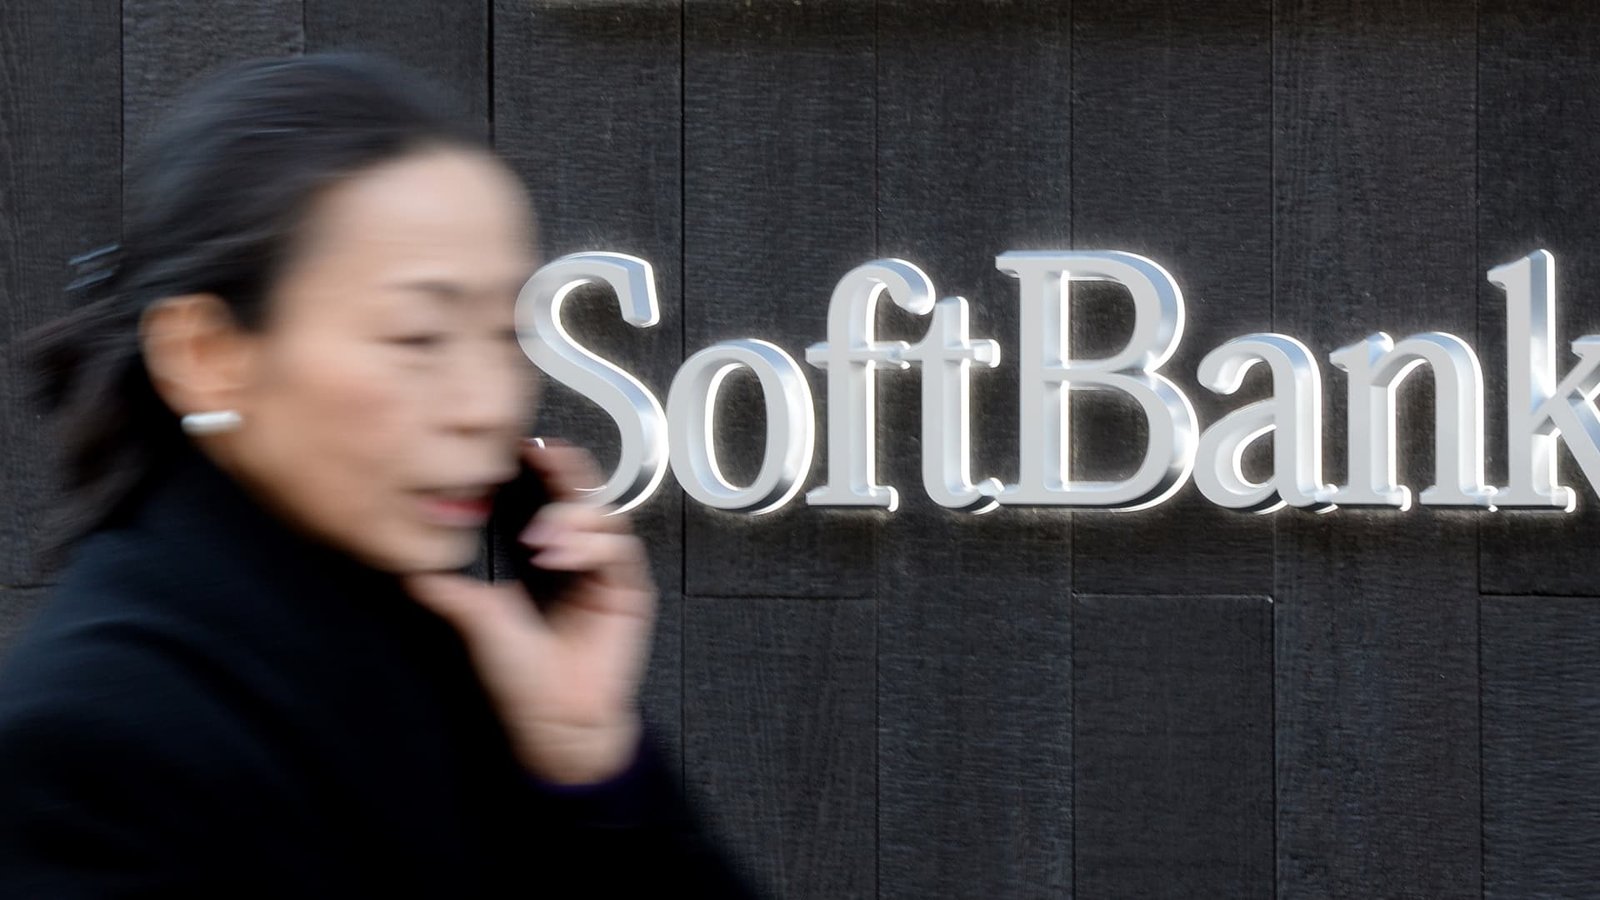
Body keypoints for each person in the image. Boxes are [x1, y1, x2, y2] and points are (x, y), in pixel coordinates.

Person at [0, 52, 759, 897]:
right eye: (417, 338)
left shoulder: (482, 674)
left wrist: (593, 771)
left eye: (508, 335)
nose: (488, 405)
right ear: (205, 355)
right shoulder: (91, 751)